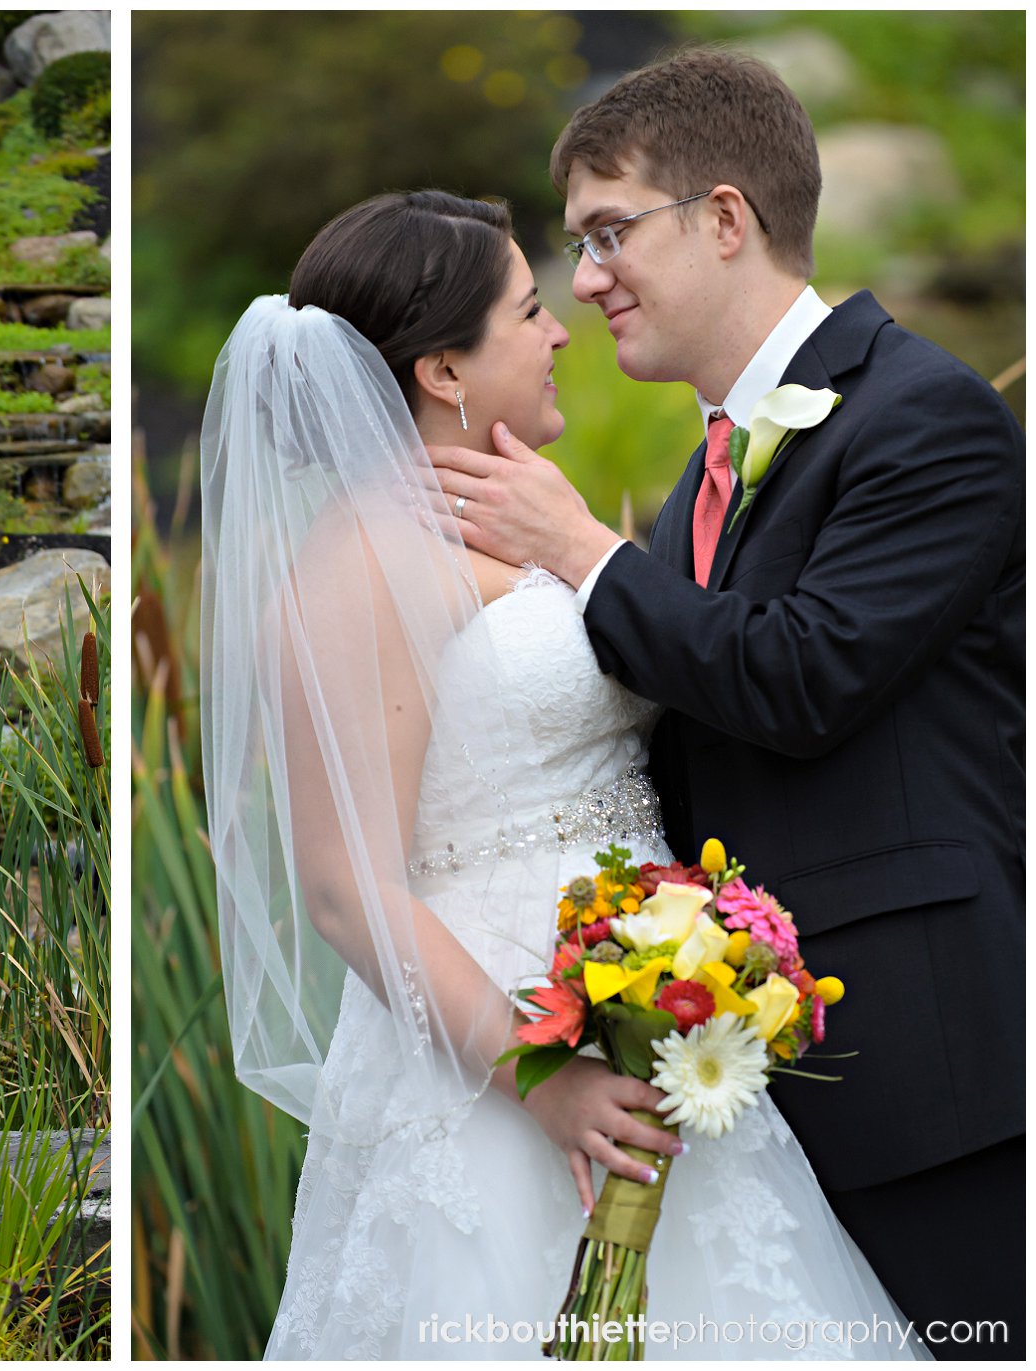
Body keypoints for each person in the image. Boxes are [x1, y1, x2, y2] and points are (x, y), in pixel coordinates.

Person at [201, 191, 926, 1359]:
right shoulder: (361, 564)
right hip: (496, 1059)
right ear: (444, 369)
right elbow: (345, 888)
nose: (558, 333)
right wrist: (541, 1082)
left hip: (654, 1020)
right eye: (528, 311)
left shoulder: (520, 522)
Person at [428, 50, 1023, 1360]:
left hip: (925, 1071)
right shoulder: (717, 452)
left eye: (603, 234)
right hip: (741, 1067)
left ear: (721, 218)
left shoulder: (924, 417)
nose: (582, 283)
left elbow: (803, 676)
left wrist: (584, 552)